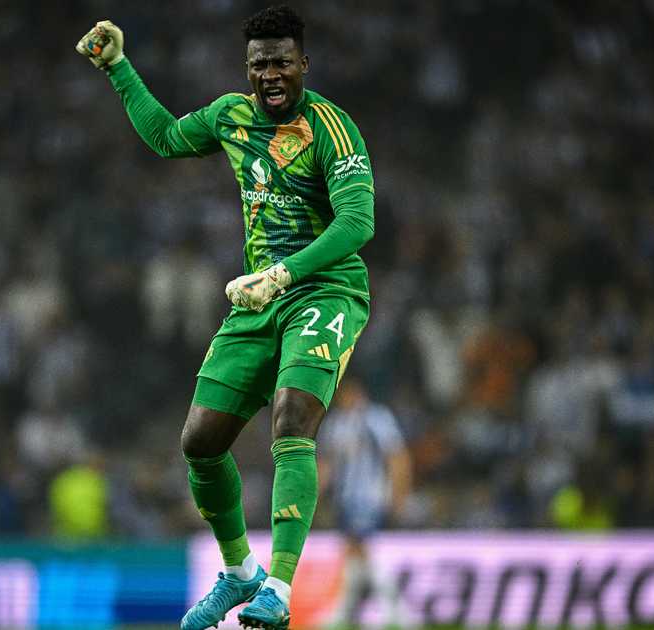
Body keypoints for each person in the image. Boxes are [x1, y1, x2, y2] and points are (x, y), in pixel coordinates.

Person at [76, 5, 375, 629]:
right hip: (257, 298)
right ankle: (241, 573)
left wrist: (283, 274)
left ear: (304, 65)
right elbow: (166, 137)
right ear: (248, 68)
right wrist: (118, 67)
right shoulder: (230, 116)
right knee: (200, 442)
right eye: (259, 64)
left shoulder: (332, 129)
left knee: (292, 419)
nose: (270, 74)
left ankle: (281, 590)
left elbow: (357, 222)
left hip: (324, 292)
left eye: (282, 63)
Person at [320, 380, 411, 628]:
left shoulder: (377, 418)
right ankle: (349, 610)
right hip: (345, 497)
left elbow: (397, 457)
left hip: (370, 495)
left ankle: (393, 610)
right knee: (353, 550)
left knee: (361, 548)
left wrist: (399, 494)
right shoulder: (336, 422)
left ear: (358, 392)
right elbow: (327, 463)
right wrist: (315, 495)